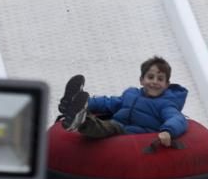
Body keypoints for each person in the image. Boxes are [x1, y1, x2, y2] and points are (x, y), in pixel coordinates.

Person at [57, 56, 188, 147]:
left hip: (132, 134)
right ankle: (73, 104)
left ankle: (81, 121)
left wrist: (168, 131)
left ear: (167, 84)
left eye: (160, 79)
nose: (154, 82)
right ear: (141, 80)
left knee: (107, 127)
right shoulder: (131, 94)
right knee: (106, 122)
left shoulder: (165, 104)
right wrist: (89, 102)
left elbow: (177, 118)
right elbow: (109, 103)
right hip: (117, 124)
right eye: (150, 77)